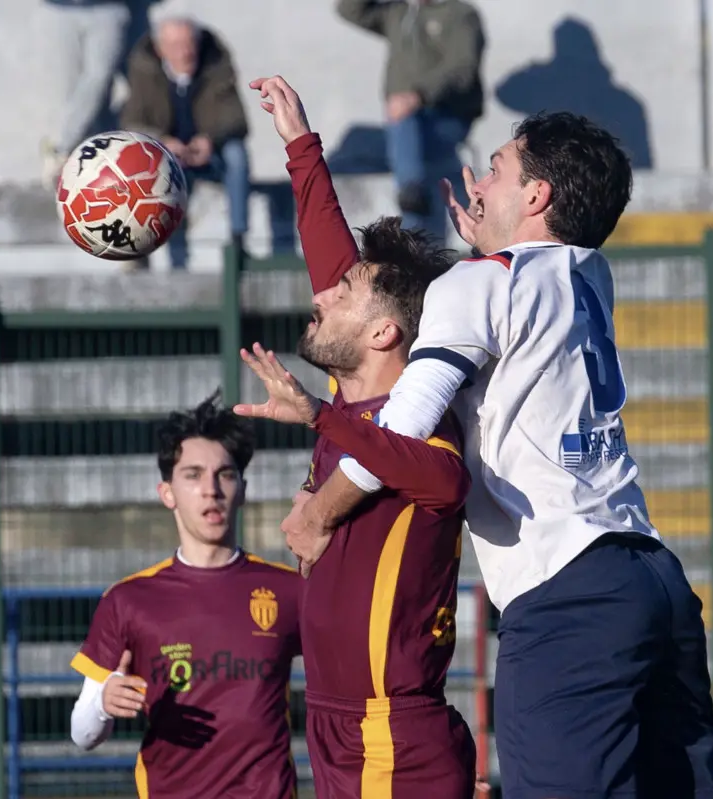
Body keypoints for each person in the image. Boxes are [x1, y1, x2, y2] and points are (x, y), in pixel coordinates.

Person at [254, 106, 713, 798]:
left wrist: (320, 508)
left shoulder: (477, 287)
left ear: (538, 197)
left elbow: (411, 419)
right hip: (652, 573)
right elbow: (498, 293)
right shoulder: (588, 274)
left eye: (498, 169)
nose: (478, 185)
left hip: (568, 591)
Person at [236, 75, 478, 798]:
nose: (323, 292)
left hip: (392, 730)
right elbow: (330, 255)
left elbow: (444, 482)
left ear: (384, 331)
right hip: (337, 722)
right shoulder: (355, 398)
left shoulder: (419, 420)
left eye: (347, 293)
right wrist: (298, 146)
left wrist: (318, 419)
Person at [68, 392, 302, 799]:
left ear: (242, 489)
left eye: (225, 474)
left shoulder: (291, 589)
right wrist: (105, 702)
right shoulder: (128, 600)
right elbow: (82, 734)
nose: (210, 489)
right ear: (167, 493)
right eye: (193, 475)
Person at [336, 0, 485, 244]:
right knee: (361, 140)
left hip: (446, 118)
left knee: (413, 155)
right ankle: (413, 197)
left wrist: (418, 96)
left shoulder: (460, 14)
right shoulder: (400, 13)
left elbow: (463, 70)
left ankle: (411, 194)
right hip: (406, 127)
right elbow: (350, 10)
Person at [120, 15, 251, 269]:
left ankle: (238, 240)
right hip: (166, 155)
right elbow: (131, 123)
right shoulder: (145, 70)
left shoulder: (215, 65)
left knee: (237, 155)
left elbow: (236, 118)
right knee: (132, 162)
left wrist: (210, 139)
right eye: (176, 46)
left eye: (189, 43)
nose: (185, 52)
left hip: (209, 153)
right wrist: (162, 141)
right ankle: (139, 248)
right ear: (161, 49)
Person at [40, 0, 131, 189]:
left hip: (108, 8)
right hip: (60, 9)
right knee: (72, 89)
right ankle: (84, 164)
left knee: (99, 78)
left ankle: (61, 146)